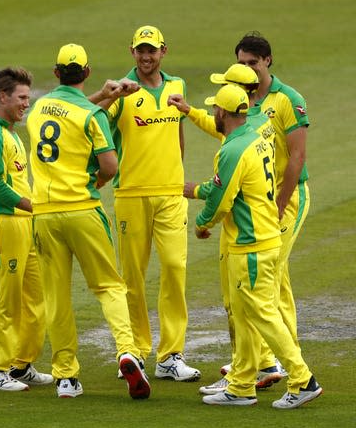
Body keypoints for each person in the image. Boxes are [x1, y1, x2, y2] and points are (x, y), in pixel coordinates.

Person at [26, 43, 150, 400]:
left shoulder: (36, 110)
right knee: (109, 286)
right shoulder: (92, 117)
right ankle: (127, 350)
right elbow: (110, 166)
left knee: (56, 295)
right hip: (82, 210)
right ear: (87, 72)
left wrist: (103, 97)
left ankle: (66, 376)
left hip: (45, 216)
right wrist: (92, 180)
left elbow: (68, 114)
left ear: (55, 73)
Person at [194, 84, 322, 409]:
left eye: (214, 110)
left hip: (250, 244)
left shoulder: (234, 149)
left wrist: (201, 224)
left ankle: (302, 378)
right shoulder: (255, 136)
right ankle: (240, 385)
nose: (213, 114)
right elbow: (229, 183)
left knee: (262, 313)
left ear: (223, 112)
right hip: (256, 240)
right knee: (244, 312)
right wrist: (196, 190)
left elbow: (223, 201)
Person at [168, 64, 286, 393]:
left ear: (235, 96)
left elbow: (225, 190)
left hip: (243, 227)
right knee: (253, 303)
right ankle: (253, 366)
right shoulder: (259, 121)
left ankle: (254, 369)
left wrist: (203, 213)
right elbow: (221, 131)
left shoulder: (240, 140)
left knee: (239, 304)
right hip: (260, 221)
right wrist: (190, 111)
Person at [102, 25, 200, 381]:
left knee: (175, 268)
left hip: (171, 195)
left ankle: (171, 355)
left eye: (152, 51)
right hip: (130, 194)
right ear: (132, 51)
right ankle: (137, 352)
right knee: (133, 278)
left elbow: (178, 134)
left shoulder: (178, 87)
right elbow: (94, 120)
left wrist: (177, 176)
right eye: (140, 51)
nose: (146, 57)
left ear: (163, 51)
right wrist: (109, 96)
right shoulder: (123, 91)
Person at [0, 67, 53, 391]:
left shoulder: (10, 133)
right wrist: (35, 206)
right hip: (4, 223)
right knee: (5, 301)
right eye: (21, 98)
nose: (26, 104)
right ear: (2, 96)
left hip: (23, 225)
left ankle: (20, 364)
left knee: (35, 299)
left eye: (28, 98)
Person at [235, 31, 310, 357]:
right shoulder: (241, 98)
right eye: (242, 63)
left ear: (267, 61)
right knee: (277, 279)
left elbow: (297, 156)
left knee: (267, 277)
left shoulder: (288, 99)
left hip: (289, 197)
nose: (249, 70)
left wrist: (280, 204)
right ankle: (278, 356)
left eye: (253, 63)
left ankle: (267, 361)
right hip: (259, 202)